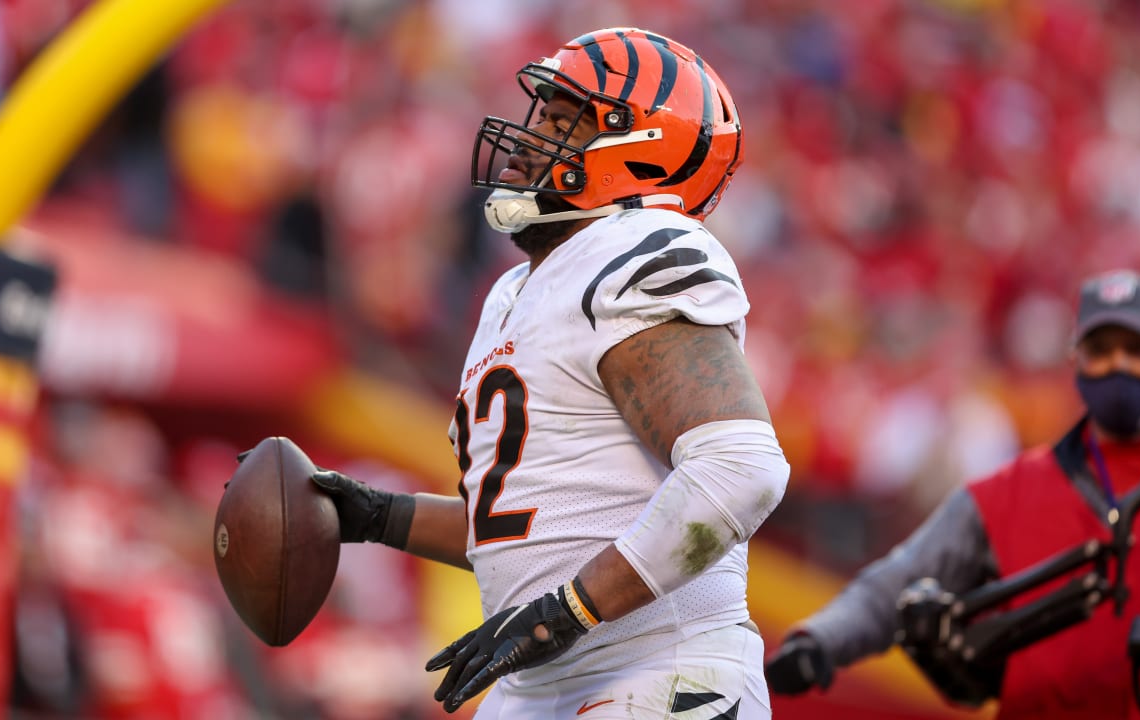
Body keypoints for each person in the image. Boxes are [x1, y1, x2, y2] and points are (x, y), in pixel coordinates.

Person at [306, 27, 789, 718]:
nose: (532, 136)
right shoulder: (516, 291)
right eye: (542, 115)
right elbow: (535, 534)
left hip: (658, 673)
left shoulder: (635, 249)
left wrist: (566, 613)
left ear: (644, 154)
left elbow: (741, 469)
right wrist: (382, 517)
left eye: (563, 120)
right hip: (541, 686)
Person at [764, 268, 1140, 720]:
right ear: (1076, 359)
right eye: (1101, 351)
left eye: (1136, 350)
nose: (1117, 365)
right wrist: (821, 639)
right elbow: (900, 580)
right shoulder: (1012, 491)